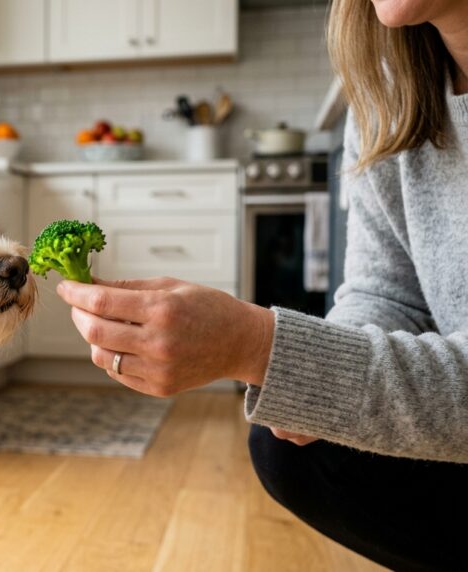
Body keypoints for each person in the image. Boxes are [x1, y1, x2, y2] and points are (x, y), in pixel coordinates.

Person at [56, 1, 468, 569]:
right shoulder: (387, 94)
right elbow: (385, 290)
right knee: (290, 451)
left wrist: (258, 345)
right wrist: (317, 375)